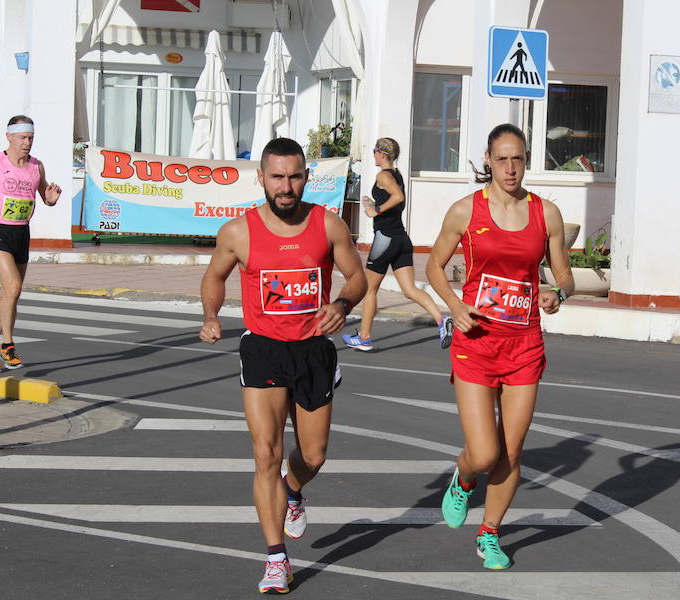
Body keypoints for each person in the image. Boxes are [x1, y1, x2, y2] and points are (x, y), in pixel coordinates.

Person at [199, 137, 366, 594]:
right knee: (265, 454)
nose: (286, 186)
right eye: (277, 176)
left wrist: (342, 304)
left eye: (294, 176)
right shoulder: (239, 232)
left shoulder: (328, 225)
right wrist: (211, 316)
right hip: (263, 349)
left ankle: (293, 489)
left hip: (313, 350)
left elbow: (357, 277)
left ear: (306, 177)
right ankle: (276, 559)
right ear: (262, 178)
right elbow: (214, 276)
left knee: (313, 455)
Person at [425, 123, 575, 570]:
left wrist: (558, 294)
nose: (511, 168)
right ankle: (464, 476)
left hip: (524, 343)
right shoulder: (465, 211)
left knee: (511, 450)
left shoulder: (545, 213)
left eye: (519, 159)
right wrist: (455, 305)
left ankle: (489, 533)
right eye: (502, 159)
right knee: (485, 452)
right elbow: (433, 267)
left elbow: (564, 275)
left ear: (527, 161)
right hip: (476, 342)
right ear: (487, 160)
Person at [342, 137, 454, 351]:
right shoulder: (397, 175)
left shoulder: (383, 175)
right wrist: (373, 205)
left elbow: (398, 197)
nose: (373, 154)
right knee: (410, 289)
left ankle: (364, 337)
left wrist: (377, 210)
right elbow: (393, 200)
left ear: (382, 154)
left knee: (369, 289)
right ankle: (441, 321)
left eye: (375, 150)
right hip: (401, 238)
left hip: (385, 239)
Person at [0, 115, 61, 372]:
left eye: (31, 138)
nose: (27, 143)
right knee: (12, 286)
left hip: (21, 233)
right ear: (9, 136)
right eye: (23, 137)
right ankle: (7, 346)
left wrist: (51, 198)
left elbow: (45, 195)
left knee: (10, 293)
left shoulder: (36, 166)